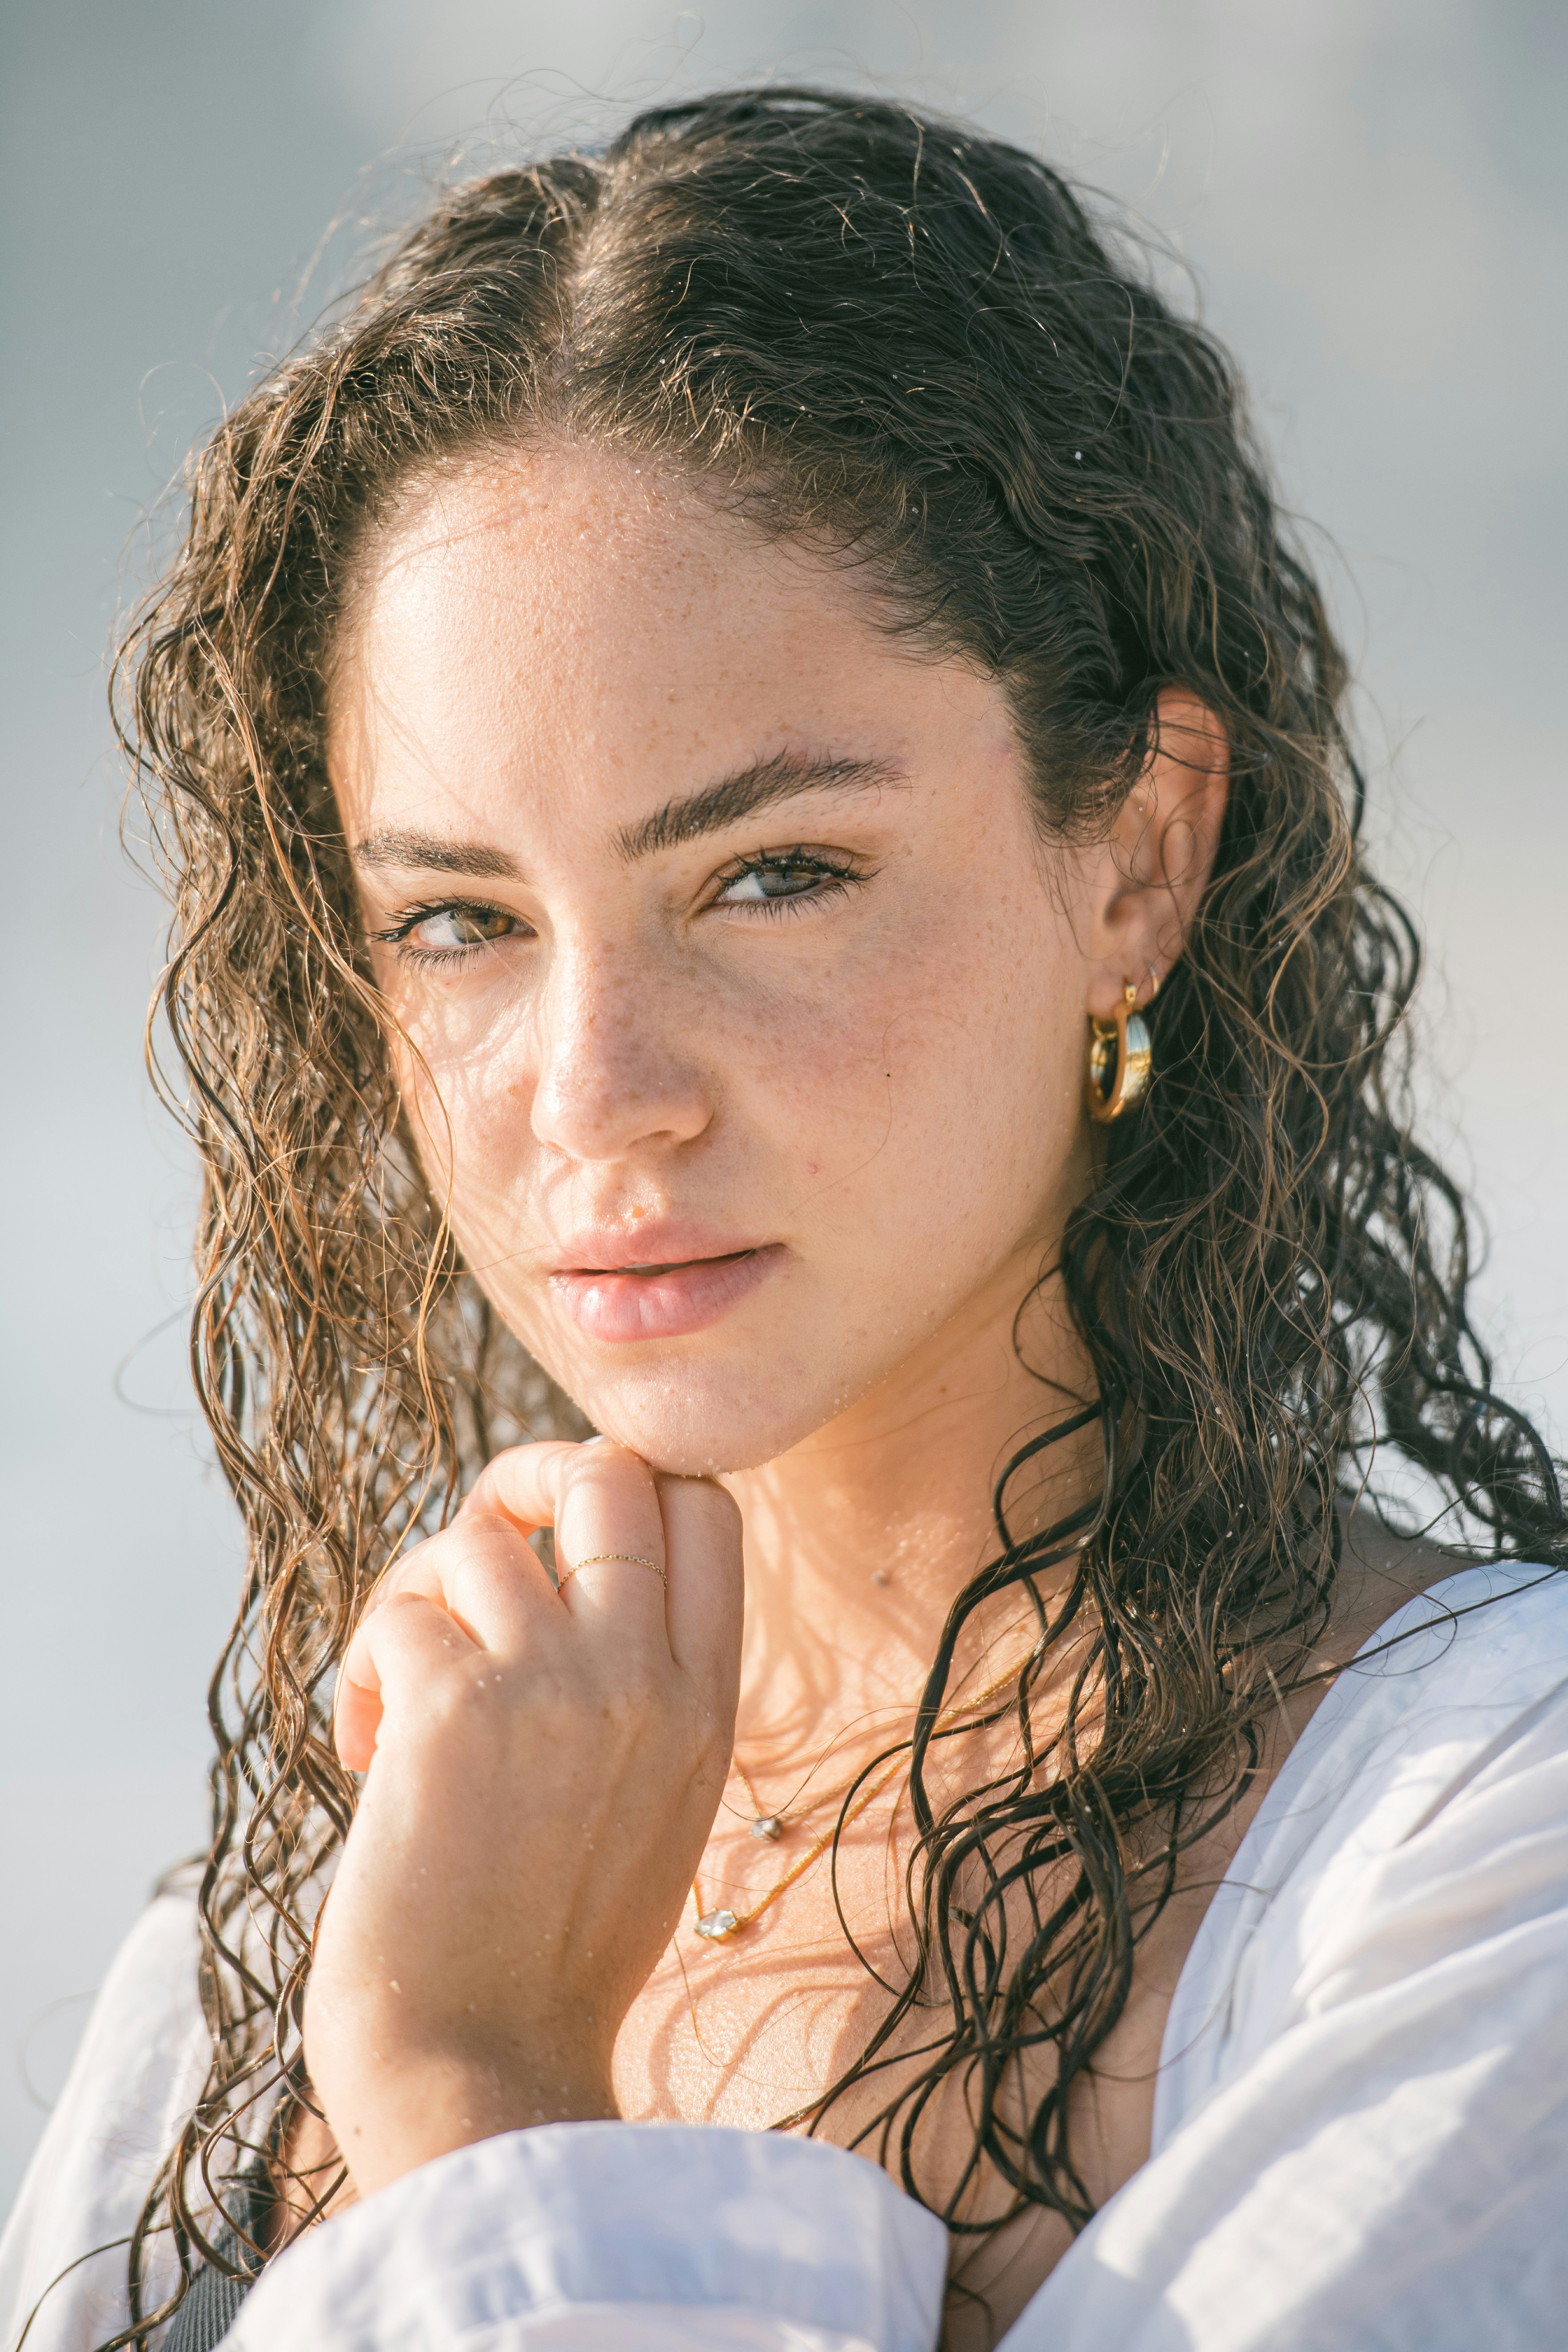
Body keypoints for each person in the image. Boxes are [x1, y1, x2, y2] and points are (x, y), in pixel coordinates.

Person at [3, 85, 1565, 2352]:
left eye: (772, 874)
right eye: (458, 920)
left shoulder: (1478, 1848)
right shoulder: (295, 1929)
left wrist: (482, 2106)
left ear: (1132, 856)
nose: (592, 1092)